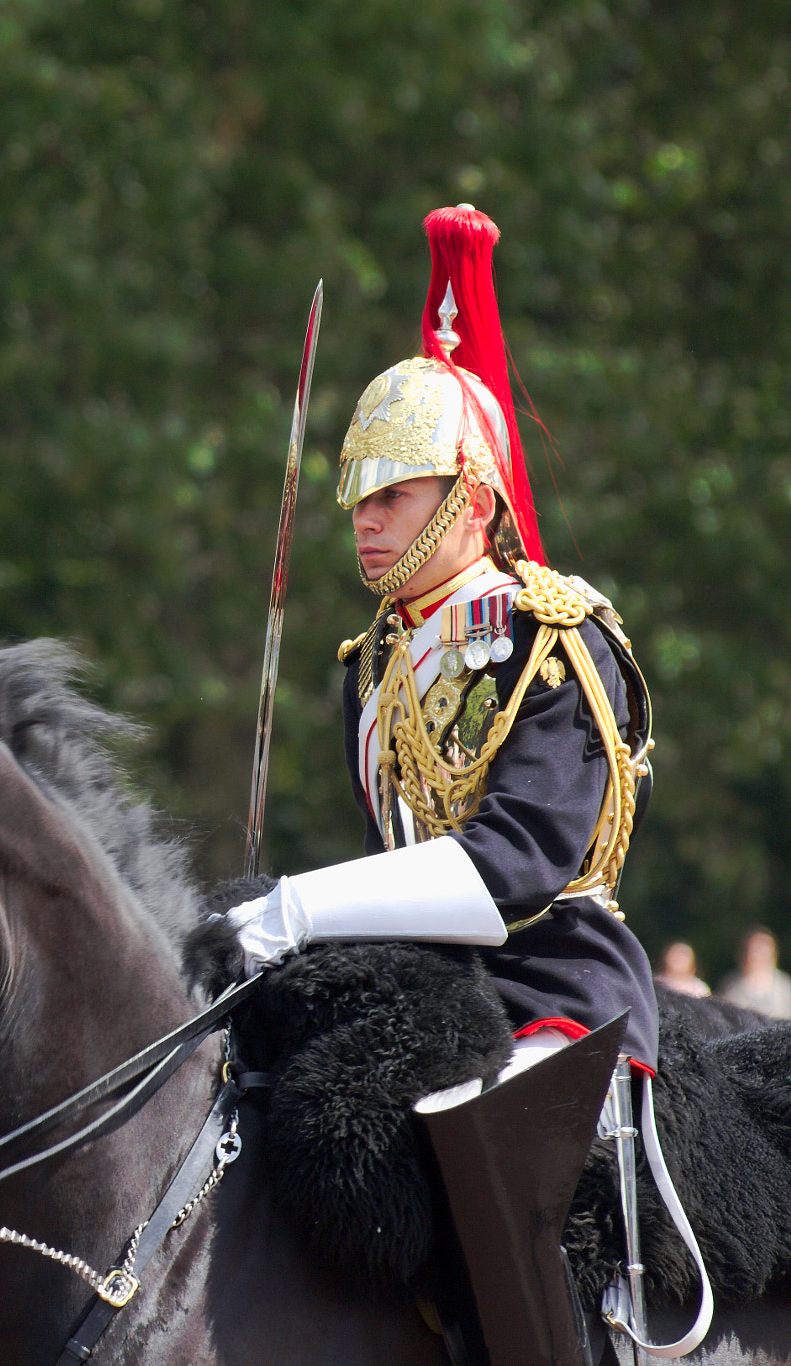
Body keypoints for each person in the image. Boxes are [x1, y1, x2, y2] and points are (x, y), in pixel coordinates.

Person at [229, 206, 671, 1361]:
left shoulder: (550, 637)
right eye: (357, 500)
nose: (363, 524)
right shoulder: (370, 663)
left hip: (549, 980)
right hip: (415, 981)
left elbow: (511, 869)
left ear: (469, 499)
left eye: (392, 497)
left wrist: (302, 906)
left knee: (484, 1139)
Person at [719, 926, 791, 1018]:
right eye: (751, 950)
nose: (755, 956)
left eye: (760, 951)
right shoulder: (729, 985)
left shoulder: (784, 988)